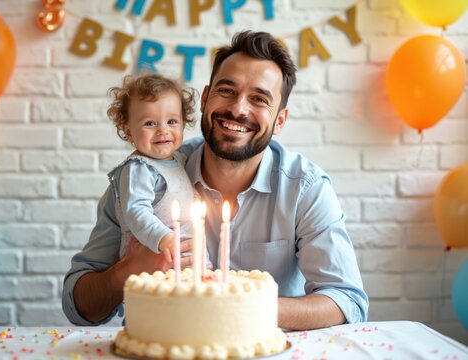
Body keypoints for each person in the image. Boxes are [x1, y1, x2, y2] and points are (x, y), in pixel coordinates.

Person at [63, 30, 369, 330]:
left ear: (280, 121)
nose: (238, 109)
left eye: (259, 99)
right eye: (227, 91)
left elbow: (346, 301)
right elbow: (79, 306)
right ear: (206, 97)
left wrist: (240, 304)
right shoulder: (146, 176)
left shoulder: (305, 188)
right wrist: (127, 271)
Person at [105, 73, 204, 264]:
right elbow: (136, 211)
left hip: (187, 257)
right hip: (156, 260)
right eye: (150, 123)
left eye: (172, 122)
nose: (163, 130)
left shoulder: (180, 160)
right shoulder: (139, 169)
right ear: (128, 130)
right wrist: (163, 238)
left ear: (184, 123)